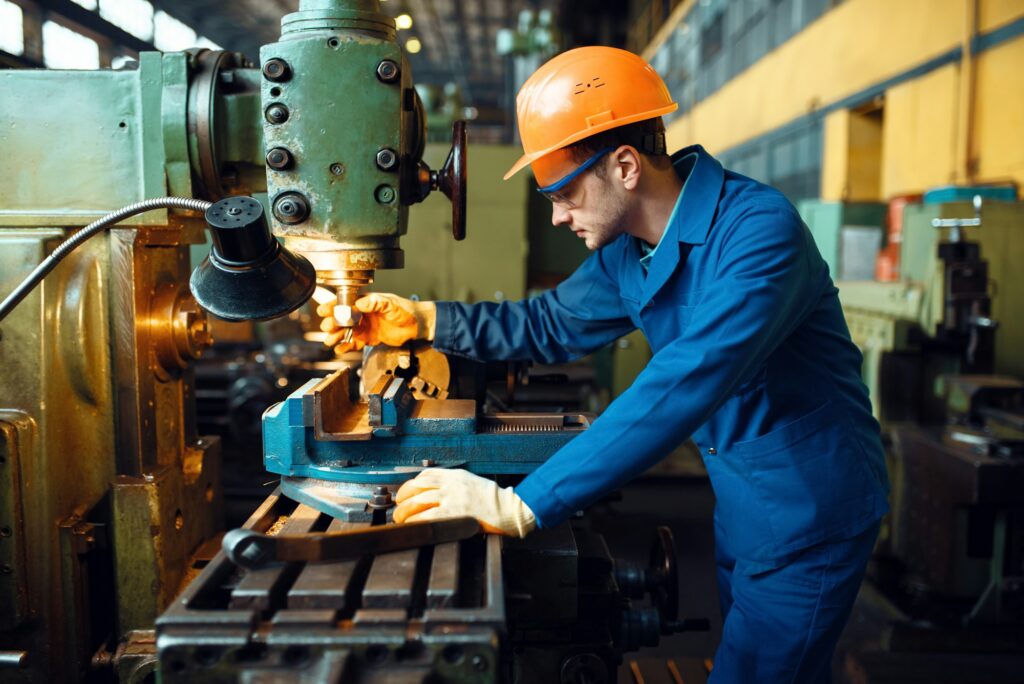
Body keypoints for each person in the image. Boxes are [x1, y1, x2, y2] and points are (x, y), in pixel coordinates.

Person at [318, 46, 889, 682]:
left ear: (623, 166)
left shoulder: (758, 232)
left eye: (563, 192)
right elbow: (548, 323)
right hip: (743, 500)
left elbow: (687, 381)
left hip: (810, 507)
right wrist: (420, 319)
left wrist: (523, 505)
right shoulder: (630, 252)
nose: (558, 215)